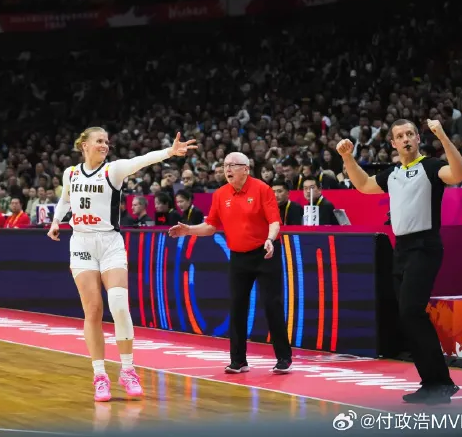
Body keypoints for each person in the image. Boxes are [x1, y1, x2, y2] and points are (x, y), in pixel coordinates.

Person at [47, 127, 196, 402]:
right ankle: (99, 375)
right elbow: (65, 200)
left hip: (110, 243)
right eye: (99, 141)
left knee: (118, 306)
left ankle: (128, 370)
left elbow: (141, 160)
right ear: (85, 145)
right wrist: (56, 221)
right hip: (81, 244)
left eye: (107, 141)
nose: (105, 145)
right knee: (93, 310)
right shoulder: (71, 173)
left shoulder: (112, 170)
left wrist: (170, 152)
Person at [336, 119, 462, 404]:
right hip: (402, 249)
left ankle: (440, 382)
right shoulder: (393, 173)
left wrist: (442, 136)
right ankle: (432, 383)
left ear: (418, 138)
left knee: (411, 312)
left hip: (425, 246)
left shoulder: (431, 166)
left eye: (410, 134)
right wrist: (347, 157)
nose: (405, 139)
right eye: (400, 136)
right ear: (393, 143)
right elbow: (364, 185)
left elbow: (459, 174)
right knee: (408, 316)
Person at [168, 152, 293, 375]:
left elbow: (275, 221)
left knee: (272, 304)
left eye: (233, 165)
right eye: (225, 165)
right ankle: (238, 361)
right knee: (237, 307)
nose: (227, 169)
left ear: (246, 169)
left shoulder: (262, 189)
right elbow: (211, 226)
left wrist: (270, 239)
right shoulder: (220, 194)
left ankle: (283, 358)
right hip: (238, 257)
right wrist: (188, 230)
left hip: (265, 252)